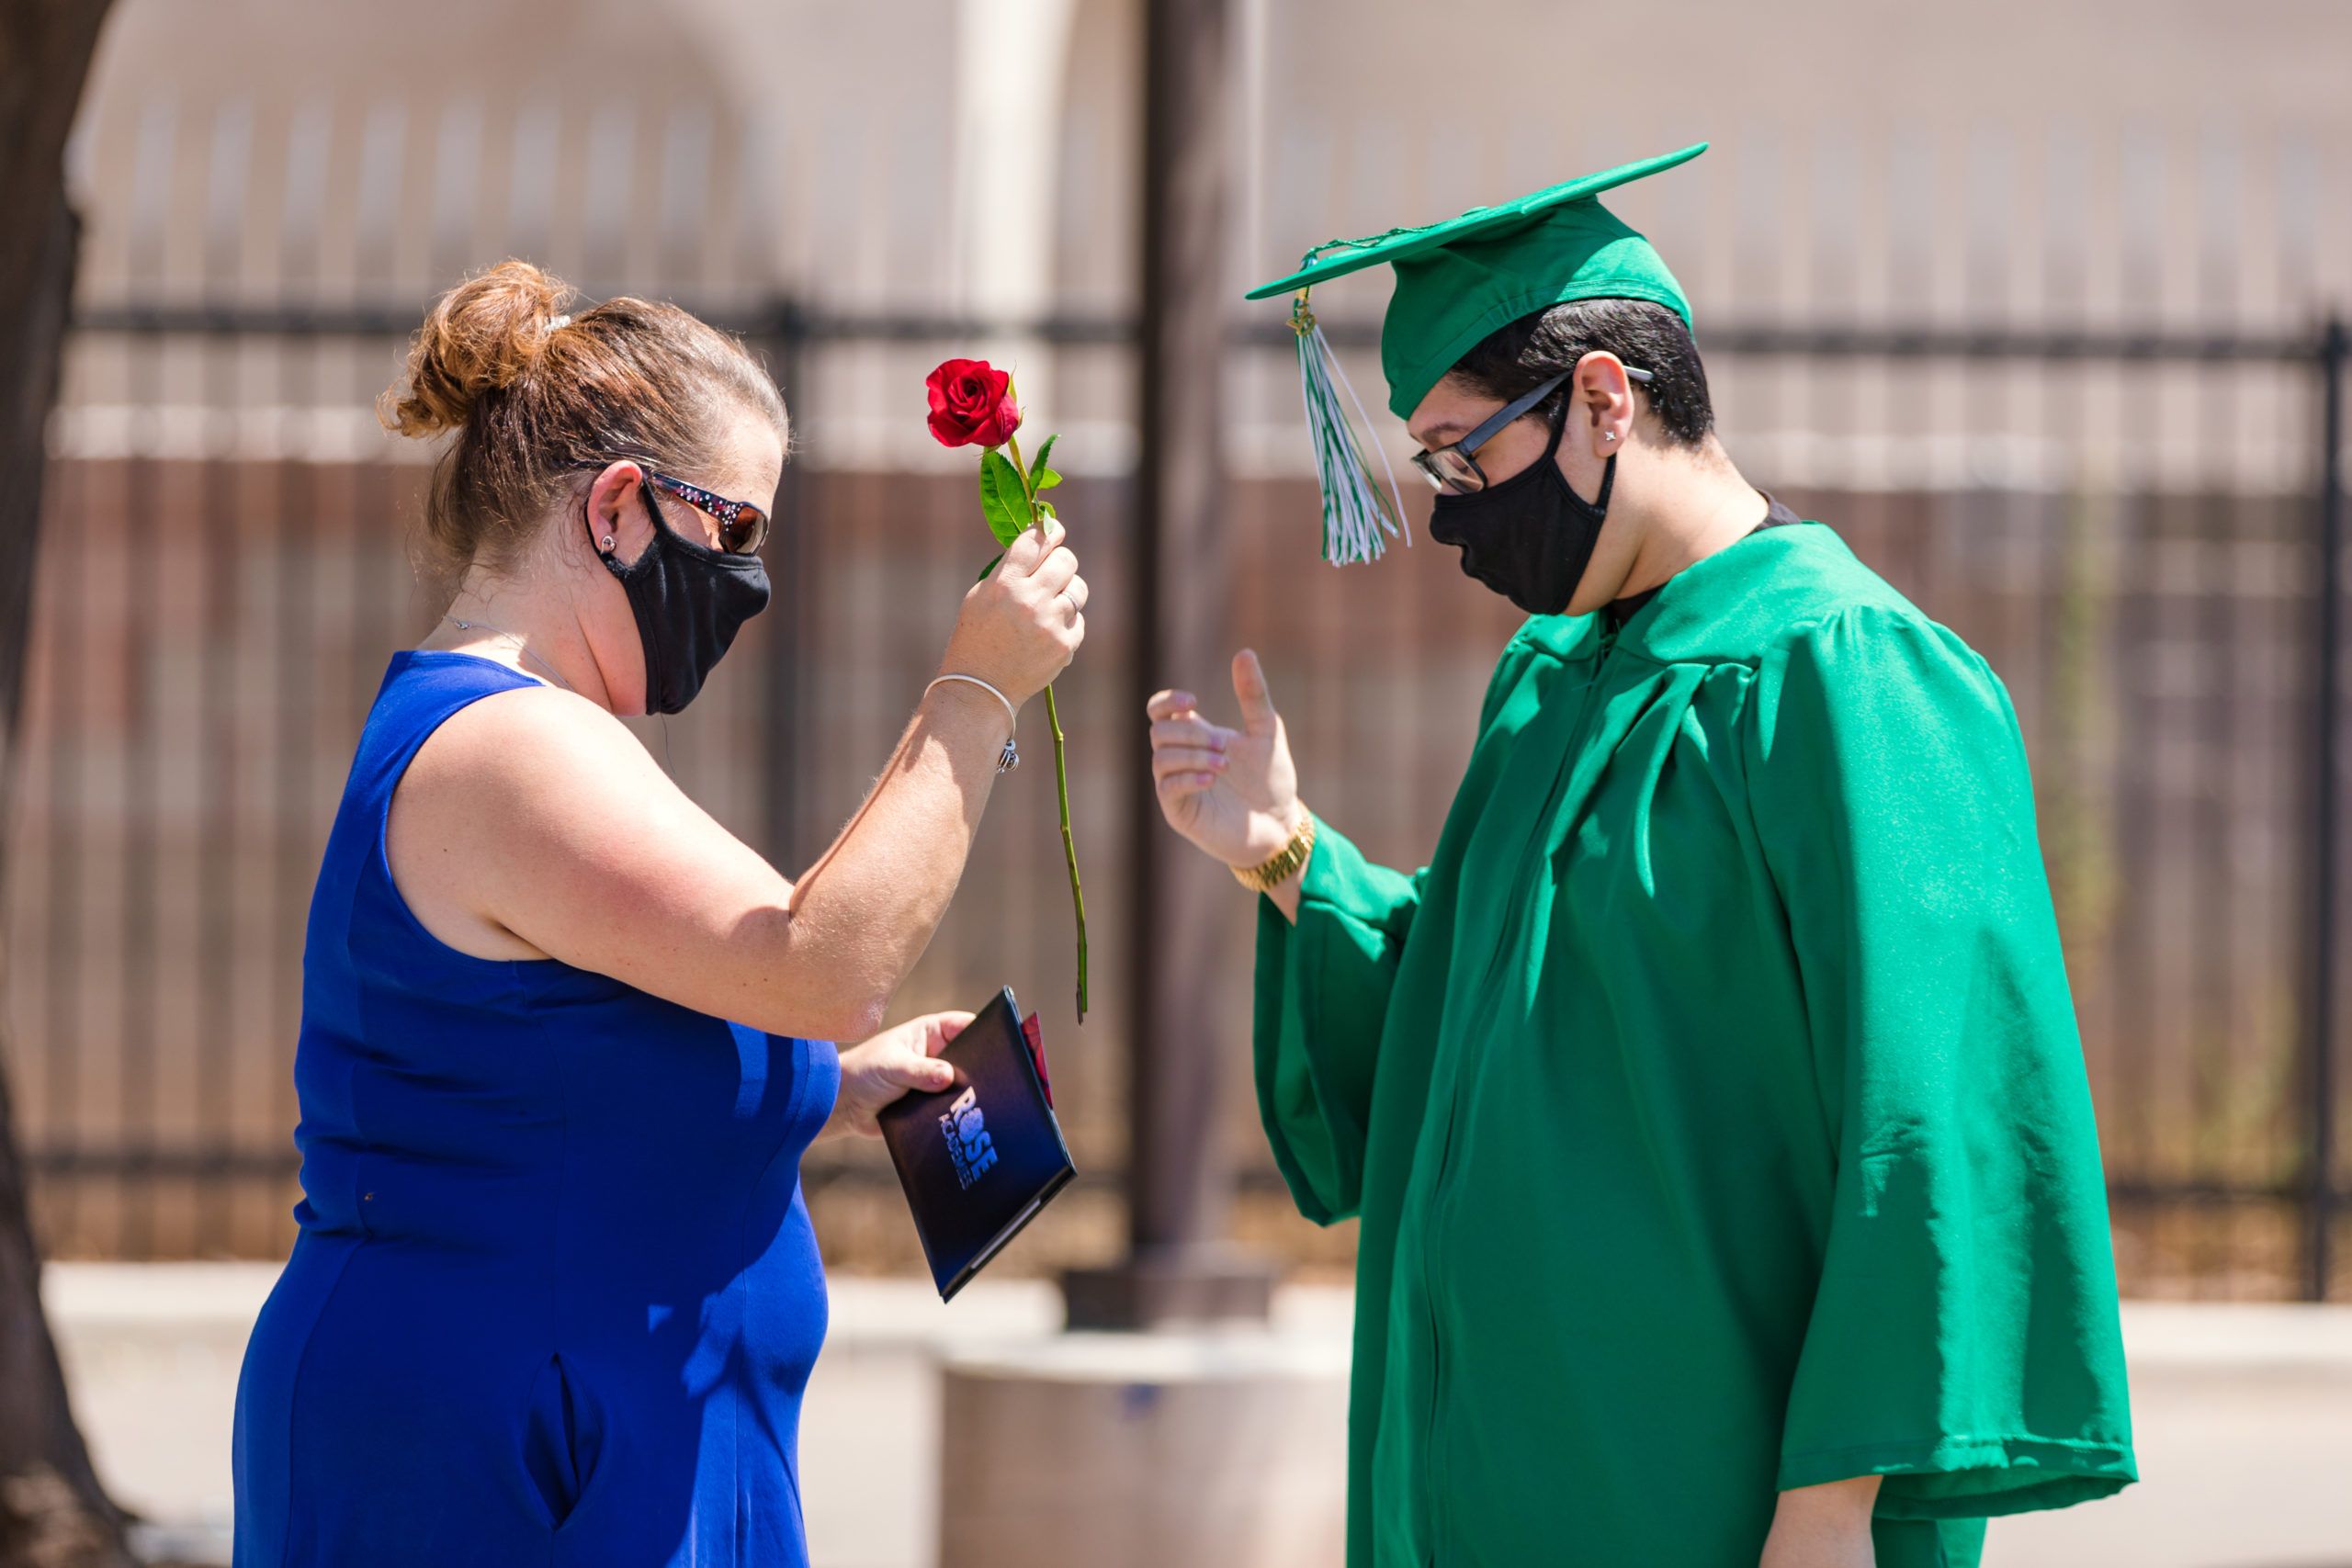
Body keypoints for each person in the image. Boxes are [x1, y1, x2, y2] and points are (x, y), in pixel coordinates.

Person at [1148, 145, 2135, 1568]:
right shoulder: (1556, 678)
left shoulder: (1849, 675)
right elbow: (1504, 1010)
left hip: (1706, 1495)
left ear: (1604, 400)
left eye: (1467, 456)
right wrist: (1294, 856)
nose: (1448, 510)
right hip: (1481, 1486)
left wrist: (1832, 1509)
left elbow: (1931, 1112)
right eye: (1428, 466)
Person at [232, 261, 1087, 1567]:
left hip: (592, 1427)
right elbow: (818, 961)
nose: (749, 580)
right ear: (620, 510)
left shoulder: (544, 731)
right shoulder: (506, 746)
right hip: (500, 1455)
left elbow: (561, 1063)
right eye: (736, 532)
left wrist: (821, 1086)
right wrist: (977, 688)